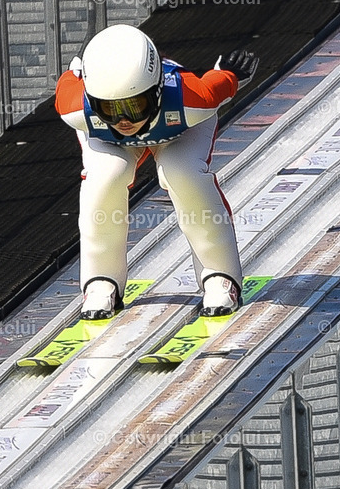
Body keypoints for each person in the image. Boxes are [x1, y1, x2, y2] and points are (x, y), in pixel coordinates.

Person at [54, 23, 258, 320]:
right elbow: (68, 83)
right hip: (124, 134)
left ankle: (219, 274)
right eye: (109, 109)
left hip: (179, 129)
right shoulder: (76, 109)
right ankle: (100, 280)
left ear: (158, 91)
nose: (124, 121)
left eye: (134, 106)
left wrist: (226, 73)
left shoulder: (192, 100)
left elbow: (216, 86)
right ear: (92, 100)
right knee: (104, 176)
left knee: (182, 172)